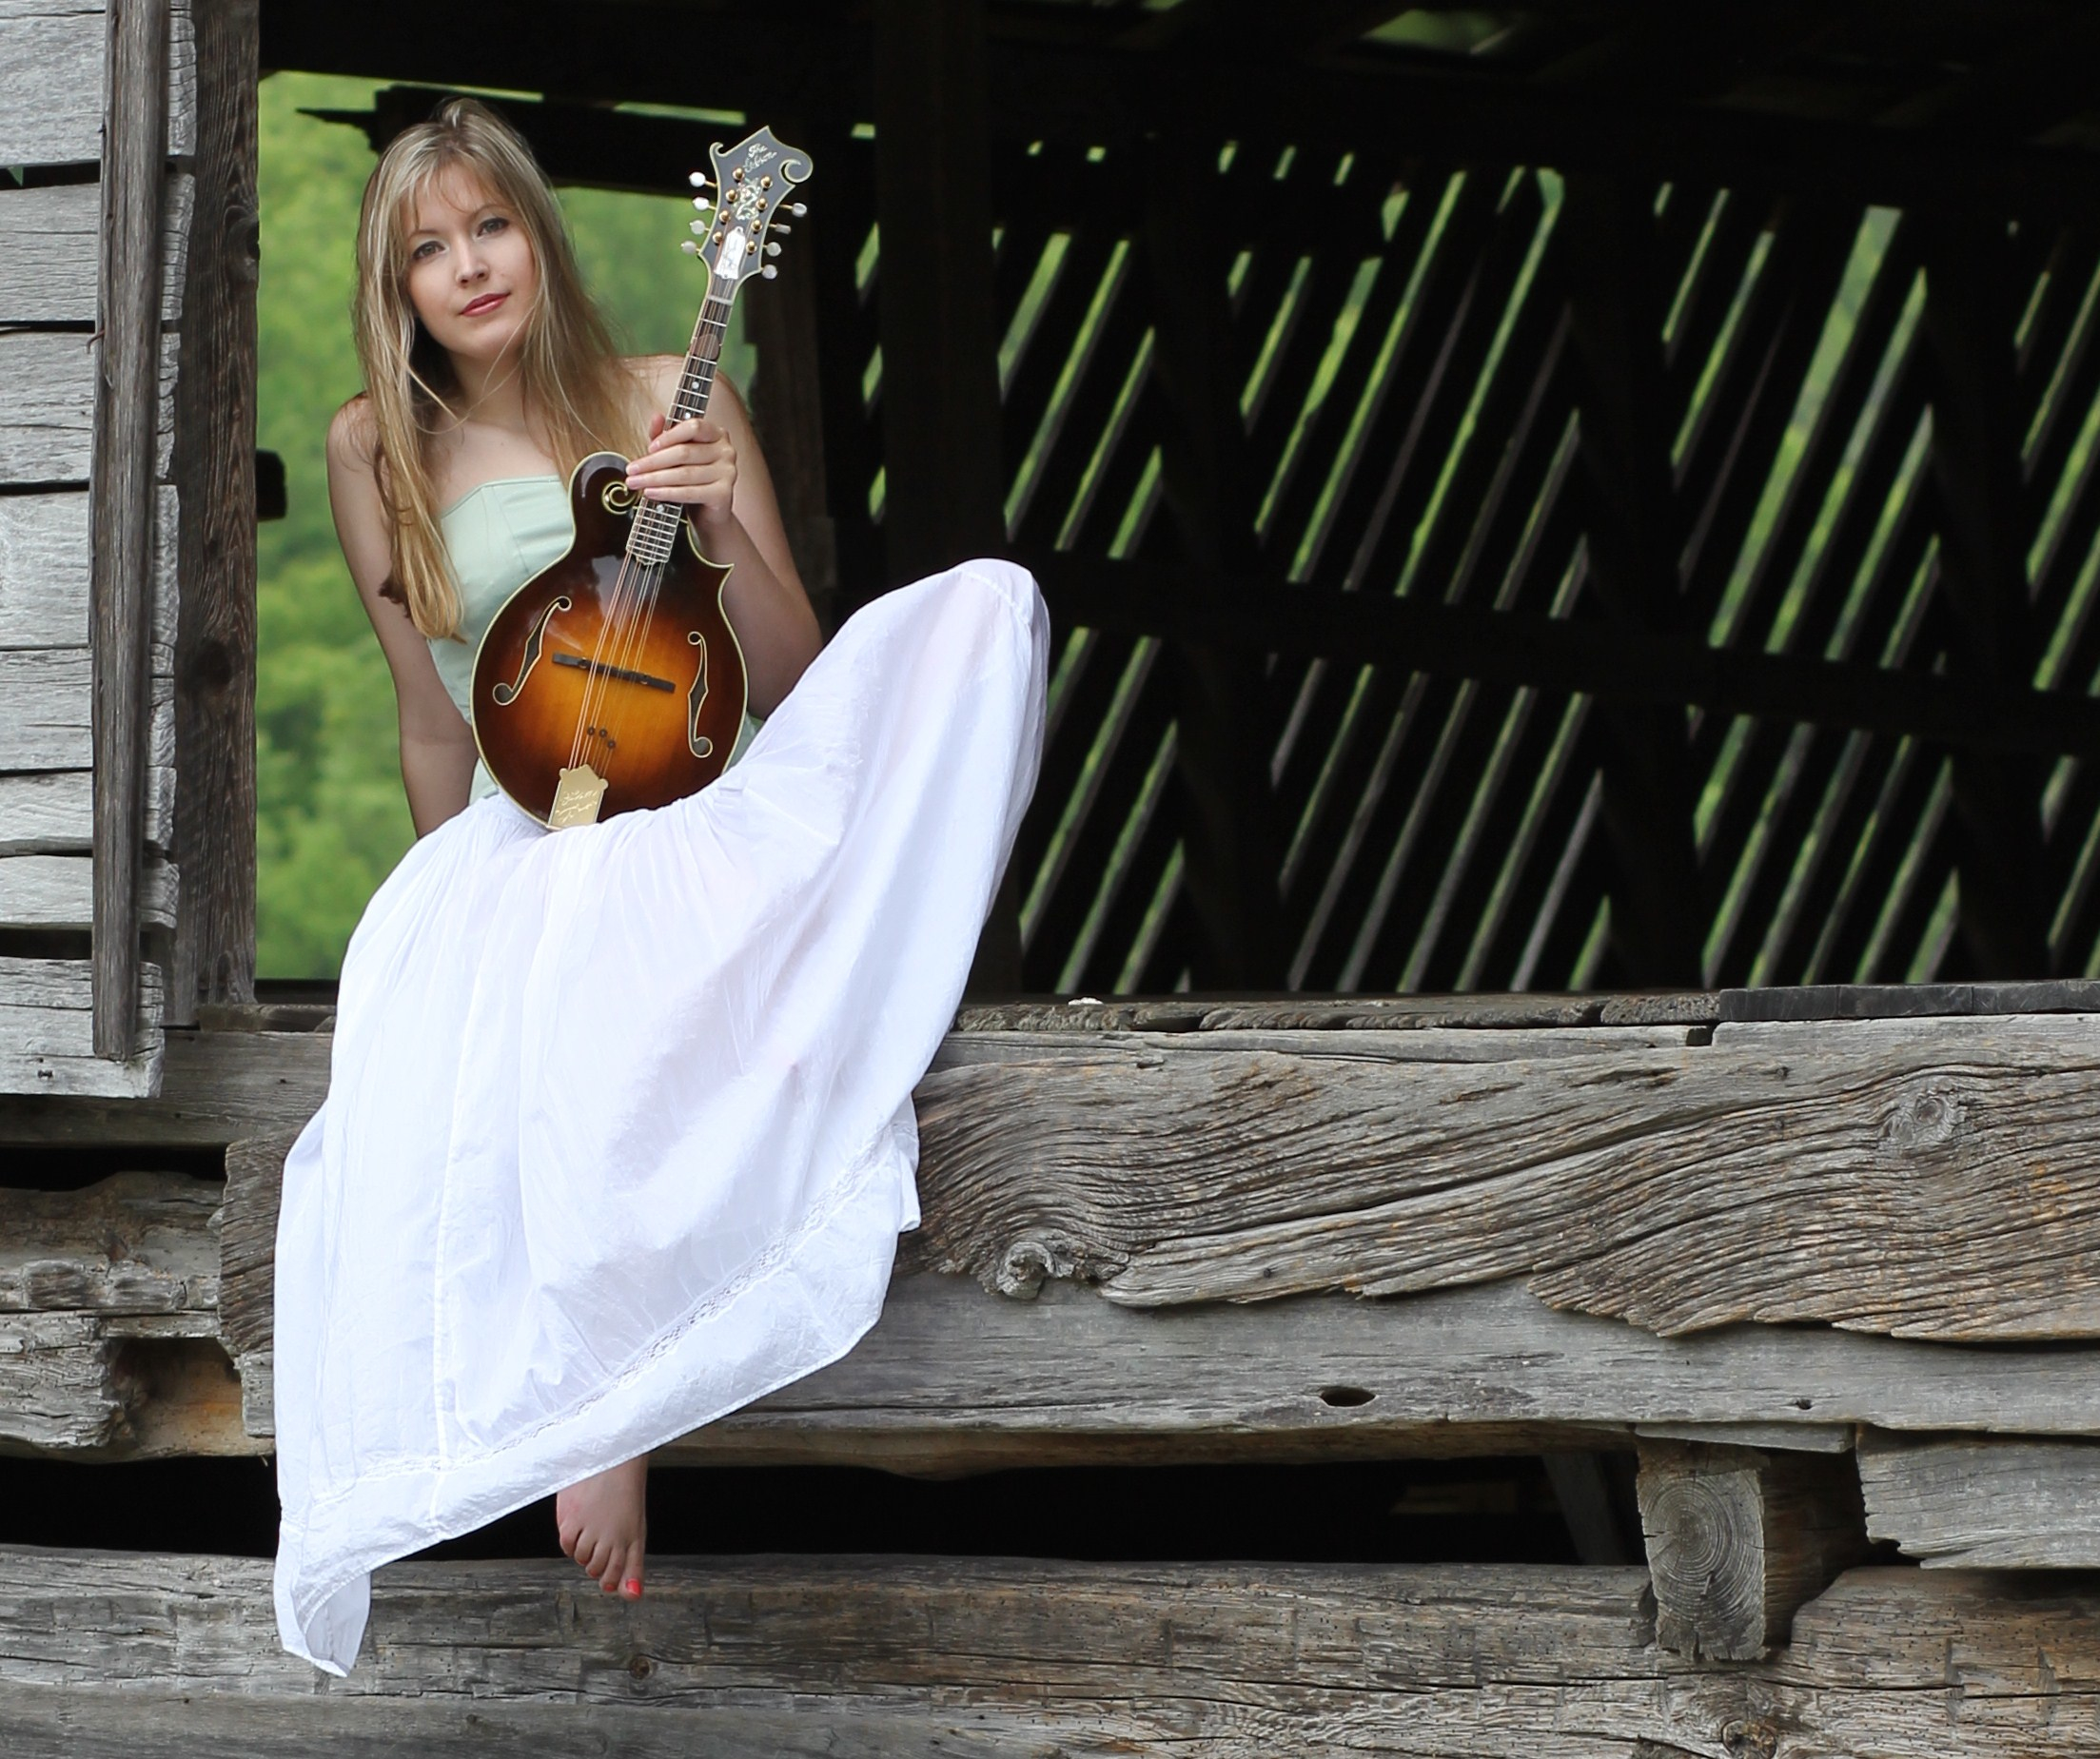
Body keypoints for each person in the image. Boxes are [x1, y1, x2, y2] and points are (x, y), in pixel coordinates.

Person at [271, 97, 1048, 1675]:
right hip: (517, 829)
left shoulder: (662, 396)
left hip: (685, 803)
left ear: (539, 236)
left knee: (984, 610)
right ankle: (598, 1411)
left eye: (490, 226)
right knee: (538, 947)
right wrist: (447, 947)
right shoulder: (376, 447)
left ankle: (610, 1396)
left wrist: (708, 516)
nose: (467, 266)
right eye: (427, 248)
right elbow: (434, 714)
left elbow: (793, 674)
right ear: (395, 284)